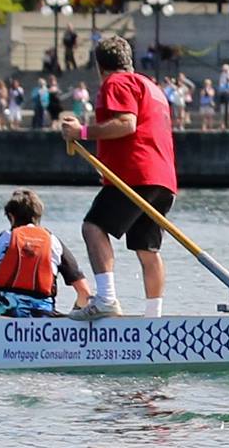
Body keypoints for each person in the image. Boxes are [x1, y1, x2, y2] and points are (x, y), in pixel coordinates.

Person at [57, 36, 177, 317]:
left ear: (100, 67)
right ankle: (153, 318)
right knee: (147, 249)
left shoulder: (117, 82)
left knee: (92, 227)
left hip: (134, 175)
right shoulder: (151, 87)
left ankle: (107, 300)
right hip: (163, 180)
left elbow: (127, 123)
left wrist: (81, 133)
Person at [0, 188, 92, 316]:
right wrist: (75, 312)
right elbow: (84, 293)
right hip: (42, 324)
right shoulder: (54, 242)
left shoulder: (2, 240)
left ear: (11, 217)